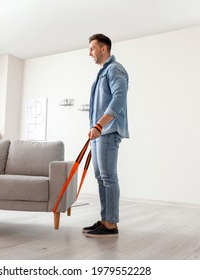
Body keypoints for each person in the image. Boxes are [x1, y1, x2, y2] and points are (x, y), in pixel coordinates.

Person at [83, 34, 129, 238]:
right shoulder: (102, 72)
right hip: (99, 132)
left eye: (92, 48)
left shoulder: (115, 69)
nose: (90, 53)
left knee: (109, 177)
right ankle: (105, 219)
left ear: (104, 48)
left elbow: (119, 99)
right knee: (100, 177)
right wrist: (94, 127)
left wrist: (100, 126)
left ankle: (111, 224)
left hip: (108, 131)